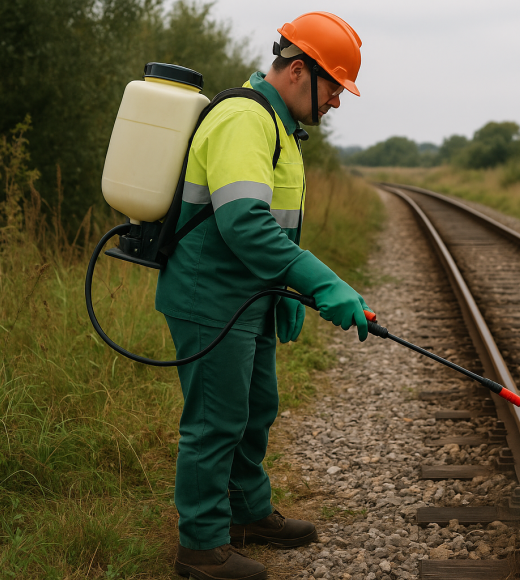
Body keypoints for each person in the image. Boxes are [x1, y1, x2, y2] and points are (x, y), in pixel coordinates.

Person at [154, 12, 368, 580]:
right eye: (335, 89)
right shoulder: (243, 120)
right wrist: (321, 283)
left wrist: (286, 291)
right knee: (215, 420)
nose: (337, 104)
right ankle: (200, 545)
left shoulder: (280, 129)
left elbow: (273, 227)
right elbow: (245, 223)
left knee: (255, 408)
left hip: (248, 295)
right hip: (209, 295)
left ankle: (245, 513)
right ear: (299, 70)